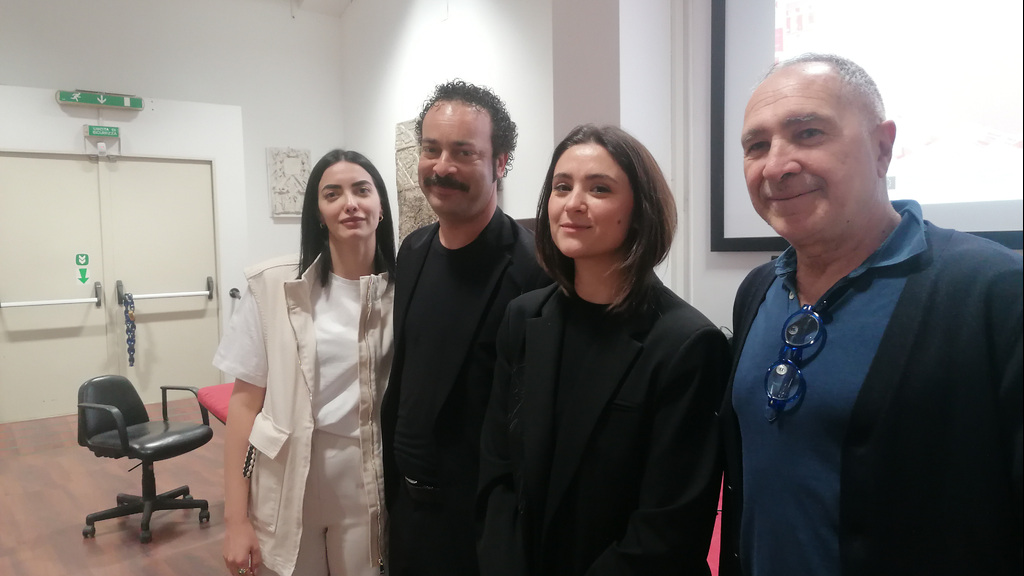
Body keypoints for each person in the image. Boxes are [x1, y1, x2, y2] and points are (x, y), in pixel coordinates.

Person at [720, 54, 1023, 576]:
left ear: (882, 147)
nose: (776, 165)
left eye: (808, 133)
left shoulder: (993, 291)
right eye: (757, 146)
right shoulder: (758, 290)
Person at [478, 124, 730, 576]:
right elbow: (498, 472)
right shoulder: (523, 318)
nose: (573, 203)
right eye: (562, 187)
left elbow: (668, 529)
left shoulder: (686, 344)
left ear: (639, 211)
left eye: (599, 189)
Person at [381, 80, 550, 576]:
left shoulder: (534, 270)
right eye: (431, 149)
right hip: (407, 512)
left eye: (463, 152)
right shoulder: (412, 251)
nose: (442, 167)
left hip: (480, 527)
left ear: (500, 162)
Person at [216, 149, 397, 576]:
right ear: (318, 213)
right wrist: (235, 521)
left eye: (362, 190)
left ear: (380, 206)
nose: (349, 203)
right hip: (288, 476)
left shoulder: (404, 290)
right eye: (332, 194)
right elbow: (244, 404)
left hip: (366, 477)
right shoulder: (273, 285)